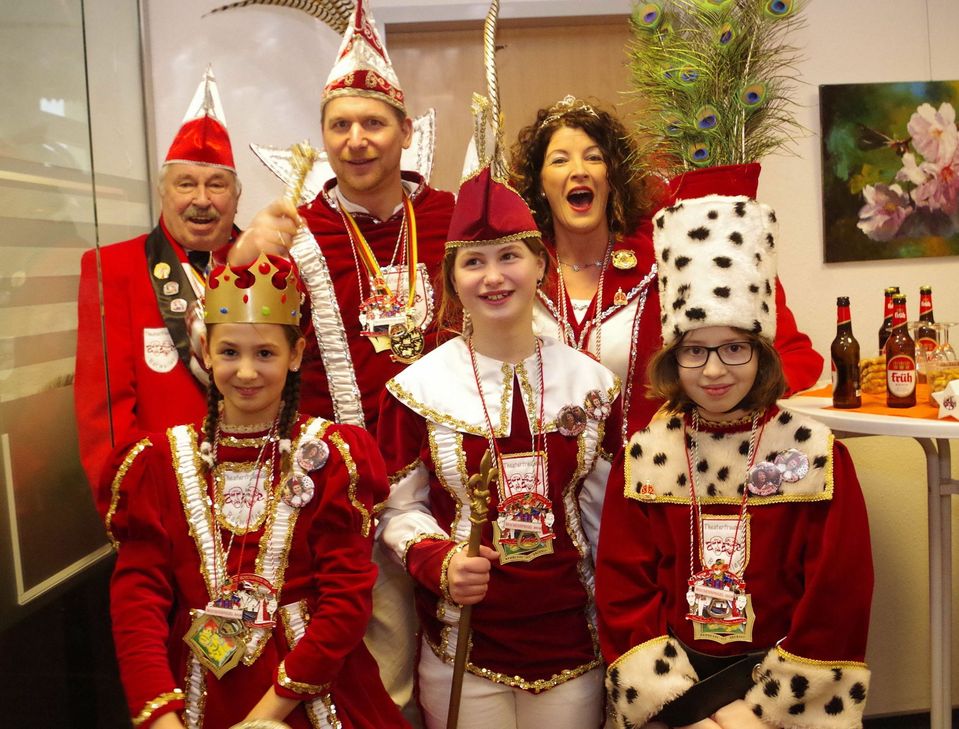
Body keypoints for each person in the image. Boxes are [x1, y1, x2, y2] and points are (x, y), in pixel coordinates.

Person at [375, 59, 622, 726]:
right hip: (460, 645)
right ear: (451, 277)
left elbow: (607, 522)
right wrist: (438, 560)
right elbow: (396, 510)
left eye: (509, 256)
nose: (493, 276)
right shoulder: (417, 389)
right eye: (473, 261)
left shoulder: (592, 386)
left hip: (573, 643)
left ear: (539, 263)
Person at [226, 3, 455, 723]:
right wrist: (240, 255)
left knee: (460, 650)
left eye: (373, 123)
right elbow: (233, 354)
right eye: (339, 126)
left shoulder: (452, 218)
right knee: (372, 660)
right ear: (323, 138)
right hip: (341, 488)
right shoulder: (296, 229)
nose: (356, 140)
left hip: (450, 475)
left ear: (405, 132)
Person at [594, 194, 873, 729]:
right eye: (694, 349)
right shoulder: (647, 454)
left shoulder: (817, 455)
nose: (714, 370)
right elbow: (624, 591)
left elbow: (837, 599)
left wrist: (759, 712)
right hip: (675, 703)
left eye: (734, 349)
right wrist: (686, 710)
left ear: (761, 351)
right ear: (672, 358)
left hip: (783, 700)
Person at [108, 252, 407, 729]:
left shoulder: (331, 456)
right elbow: (137, 598)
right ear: (205, 352)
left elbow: (346, 598)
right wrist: (160, 714)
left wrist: (265, 718)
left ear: (296, 355)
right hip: (197, 695)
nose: (246, 372)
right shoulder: (158, 463)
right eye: (229, 352)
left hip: (310, 693)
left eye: (265, 353)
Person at [511, 96, 824, 440]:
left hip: (655, 476)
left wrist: (730, 404)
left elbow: (790, 356)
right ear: (540, 183)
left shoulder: (667, 259)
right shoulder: (517, 270)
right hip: (545, 482)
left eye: (594, 157)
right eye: (559, 160)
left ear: (612, 176)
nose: (579, 170)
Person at [75, 67, 241, 541]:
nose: (202, 200)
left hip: (263, 502)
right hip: (164, 508)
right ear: (162, 191)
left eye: (217, 184)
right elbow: (102, 414)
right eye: (186, 183)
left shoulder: (273, 267)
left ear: (237, 195)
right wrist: (131, 511)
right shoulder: (113, 269)